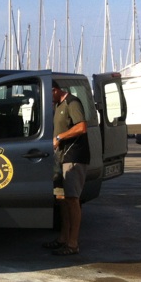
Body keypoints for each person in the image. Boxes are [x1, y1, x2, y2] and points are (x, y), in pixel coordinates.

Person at [44, 81, 90, 255]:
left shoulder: (72, 102)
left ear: (55, 90)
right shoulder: (58, 105)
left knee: (72, 199)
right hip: (61, 158)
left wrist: (60, 137)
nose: (49, 100)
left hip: (74, 156)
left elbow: (82, 126)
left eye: (49, 95)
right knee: (62, 199)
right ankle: (63, 238)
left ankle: (73, 243)